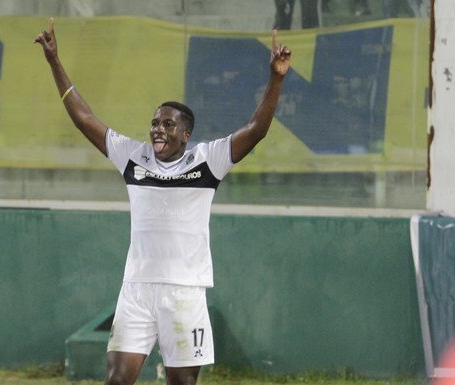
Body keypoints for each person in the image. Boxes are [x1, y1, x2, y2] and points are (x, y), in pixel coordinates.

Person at [34, 18, 291, 385]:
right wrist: (54, 63)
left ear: (186, 134)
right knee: (117, 380)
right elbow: (84, 118)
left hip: (184, 292)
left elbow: (256, 130)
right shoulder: (132, 157)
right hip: (136, 288)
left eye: (168, 124)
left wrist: (276, 79)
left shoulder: (207, 160)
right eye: (155, 123)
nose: (158, 129)